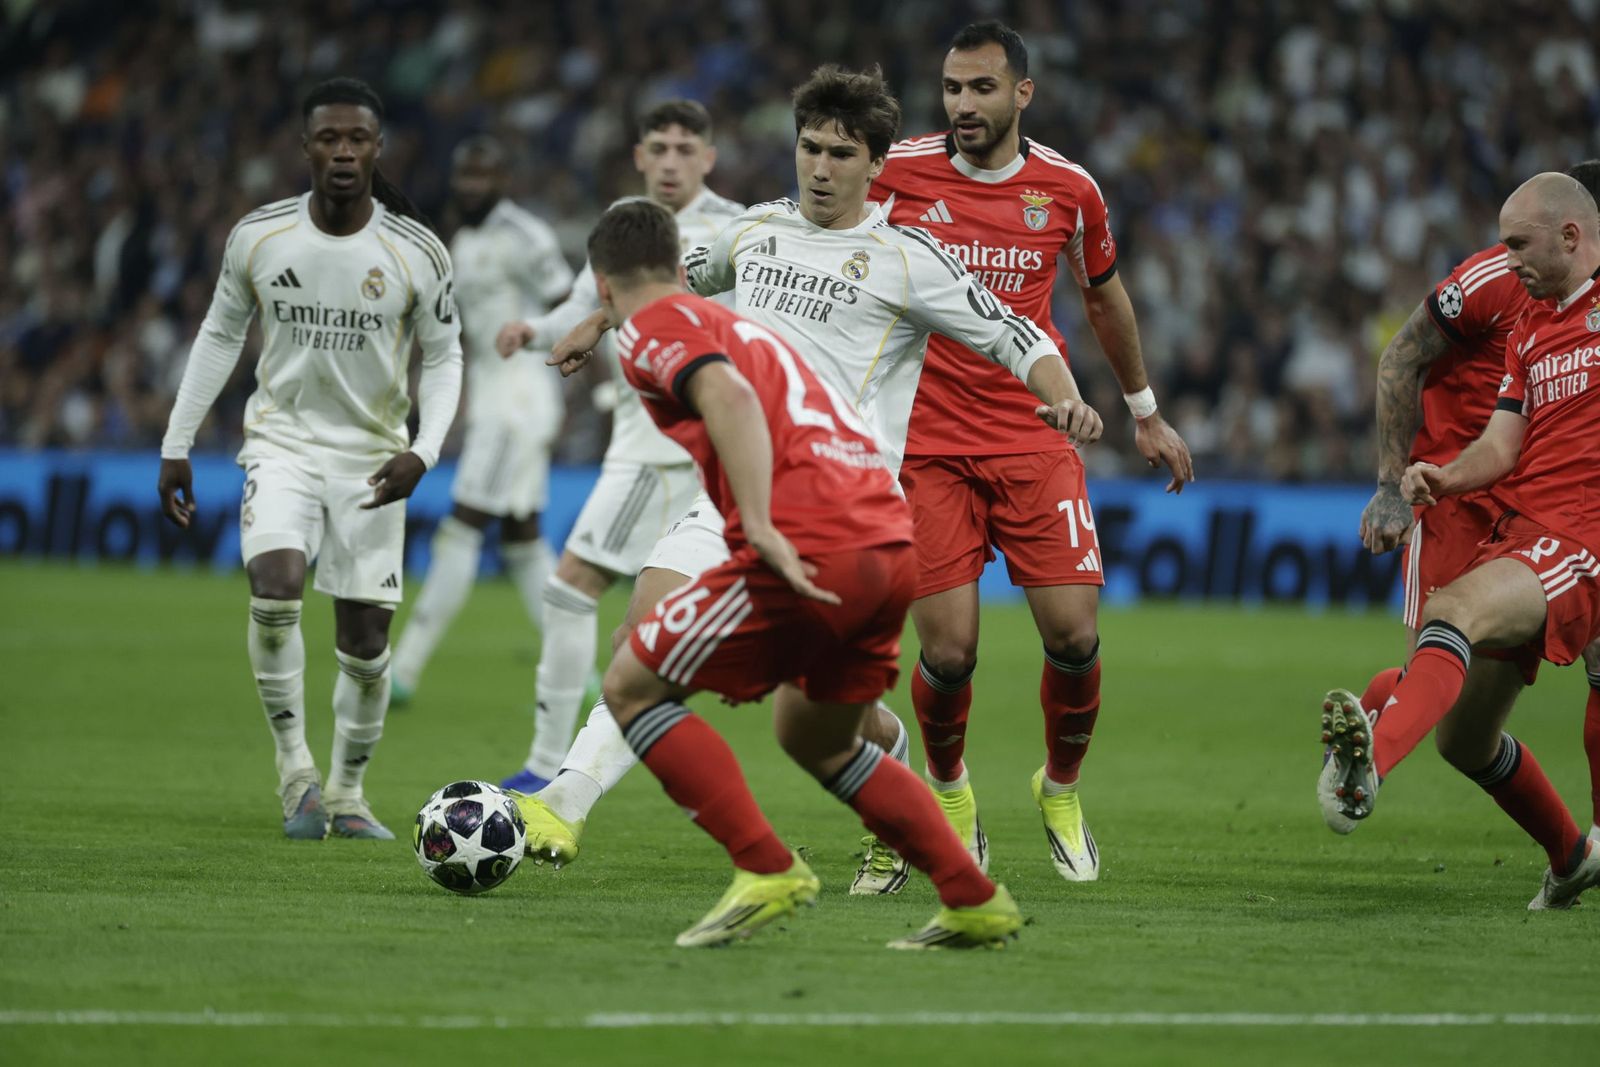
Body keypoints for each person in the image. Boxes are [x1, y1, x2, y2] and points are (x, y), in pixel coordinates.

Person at [518, 64, 1102, 898]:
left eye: (840, 153)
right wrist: (594, 320)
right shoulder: (757, 231)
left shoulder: (908, 258)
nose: (820, 167)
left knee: (833, 719)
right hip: (732, 494)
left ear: (875, 163)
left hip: (840, 512)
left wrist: (1066, 401)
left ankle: (899, 804)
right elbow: (672, 282)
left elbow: (1018, 336)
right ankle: (563, 805)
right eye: (808, 148)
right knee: (638, 645)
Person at [587, 197, 1023, 948]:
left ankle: (765, 867)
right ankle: (973, 896)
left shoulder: (651, 330)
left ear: (603, 285)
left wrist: (756, 524)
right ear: (675, 266)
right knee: (814, 735)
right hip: (887, 535)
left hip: (810, 533)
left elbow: (725, 397)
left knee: (631, 683)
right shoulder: (732, 324)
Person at [870, 21, 1192, 883]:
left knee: (1075, 634)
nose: (962, 106)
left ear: (1023, 94)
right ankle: (948, 791)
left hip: (1033, 434)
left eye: (981, 88)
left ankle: (1060, 786)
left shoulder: (1068, 190)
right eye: (951, 88)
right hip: (927, 443)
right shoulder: (894, 172)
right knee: (947, 653)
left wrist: (1144, 411)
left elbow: (1103, 296)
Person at [157, 77, 462, 840]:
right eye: (329, 138)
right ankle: (295, 768)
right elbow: (221, 335)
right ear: (305, 147)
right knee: (277, 583)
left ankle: (348, 792)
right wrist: (176, 442)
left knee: (364, 645)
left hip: (373, 460)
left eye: (357, 138)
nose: (344, 152)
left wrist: (423, 453)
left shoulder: (415, 249)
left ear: (377, 148)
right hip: (282, 445)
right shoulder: (260, 236)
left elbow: (447, 356)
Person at [1322, 173, 1600, 909]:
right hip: (1514, 525)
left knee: (1453, 618)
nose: (1507, 258)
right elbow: (1502, 443)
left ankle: (1369, 761)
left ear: (1573, 236)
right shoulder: (1532, 327)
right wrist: (1439, 478)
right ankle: (1572, 856)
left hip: (1580, 533)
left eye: (1519, 244)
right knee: (1463, 737)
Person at [494, 101, 744, 793]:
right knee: (637, 631)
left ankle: (551, 768)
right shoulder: (624, 223)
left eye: (683, 148)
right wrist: (533, 329)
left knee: (573, 587)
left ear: (708, 157)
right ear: (638, 155)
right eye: (658, 147)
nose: (670, 161)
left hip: (668, 451)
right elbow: (582, 305)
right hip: (640, 443)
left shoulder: (735, 231)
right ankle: (575, 760)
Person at [388, 136, 573, 705]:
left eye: (482, 176)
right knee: (522, 537)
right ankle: (576, 667)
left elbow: (574, 304)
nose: (470, 186)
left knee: (462, 525)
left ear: (503, 180)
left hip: (520, 400)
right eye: (463, 176)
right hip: (493, 395)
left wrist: (598, 384)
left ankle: (405, 668)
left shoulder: (527, 237)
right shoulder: (462, 239)